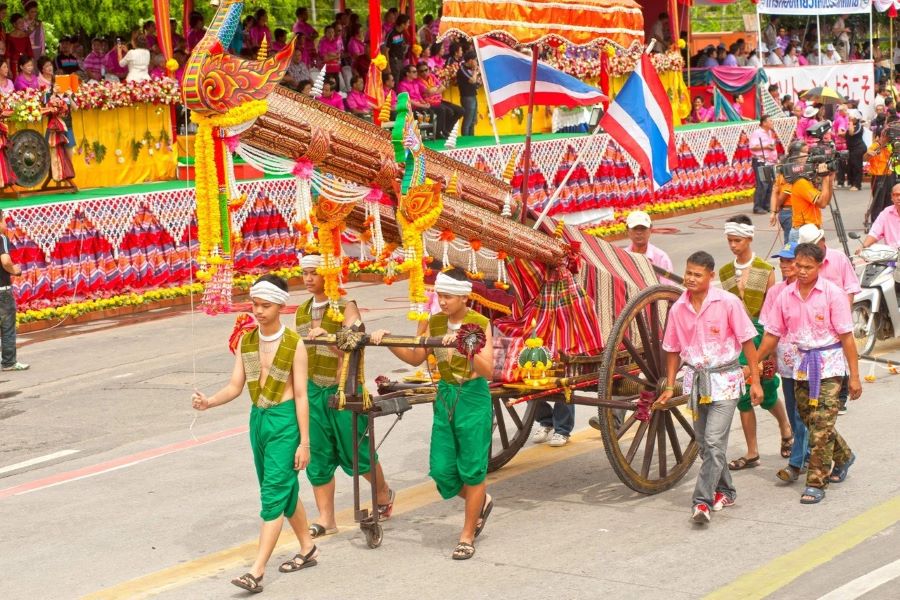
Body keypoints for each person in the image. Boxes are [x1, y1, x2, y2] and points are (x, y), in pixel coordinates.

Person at [191, 275, 318, 593]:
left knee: (273, 493)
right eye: (255, 305)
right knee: (282, 487)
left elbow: (301, 395)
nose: (258, 311)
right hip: (258, 420)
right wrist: (209, 402)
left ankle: (256, 571)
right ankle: (307, 547)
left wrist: (304, 442)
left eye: (265, 306)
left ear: (280, 306)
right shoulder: (246, 341)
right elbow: (235, 386)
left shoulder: (294, 344)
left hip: (285, 423)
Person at [371, 268, 495, 559]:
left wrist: (466, 346)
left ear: (464, 297)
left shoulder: (479, 323)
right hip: (445, 396)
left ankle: (466, 536)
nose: (443, 301)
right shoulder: (435, 321)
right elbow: (416, 356)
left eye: (448, 296)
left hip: (473, 398)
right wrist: (387, 340)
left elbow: (488, 371)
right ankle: (481, 501)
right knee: (441, 471)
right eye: (440, 295)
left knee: (473, 470)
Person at [294, 254, 395, 539]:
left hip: (343, 388)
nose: (308, 278)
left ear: (329, 274)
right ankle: (327, 518)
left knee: (357, 451)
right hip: (313, 390)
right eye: (305, 273)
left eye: (314, 272)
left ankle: (383, 493)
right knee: (318, 454)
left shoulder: (346, 306)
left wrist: (329, 339)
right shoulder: (301, 311)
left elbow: (353, 347)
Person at [658, 251, 762, 524]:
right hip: (696, 382)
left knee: (714, 442)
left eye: (697, 274)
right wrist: (669, 385)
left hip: (725, 381)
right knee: (705, 445)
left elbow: (748, 342)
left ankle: (701, 502)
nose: (691, 279)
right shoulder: (678, 308)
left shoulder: (728, 303)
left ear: (711, 276)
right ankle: (726, 491)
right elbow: (672, 349)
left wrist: (755, 380)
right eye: (688, 273)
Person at [757, 243, 861, 504]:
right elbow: (772, 334)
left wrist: (855, 376)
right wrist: (753, 361)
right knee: (812, 421)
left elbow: (847, 338)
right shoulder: (785, 296)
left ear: (820, 266)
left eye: (808, 267)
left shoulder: (833, 294)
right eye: (798, 266)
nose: (801, 271)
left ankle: (816, 482)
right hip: (801, 365)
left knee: (820, 425)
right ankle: (844, 456)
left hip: (830, 365)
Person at [719, 216, 794, 470]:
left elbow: (772, 314)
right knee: (742, 394)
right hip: (735, 338)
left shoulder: (765, 270)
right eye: (730, 240)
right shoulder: (725, 272)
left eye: (737, 240)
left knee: (768, 391)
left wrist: (771, 352)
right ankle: (752, 452)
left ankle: (785, 427)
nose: (733, 245)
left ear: (749, 238)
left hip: (761, 334)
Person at [758, 243, 808, 483]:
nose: (785, 265)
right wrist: (765, 358)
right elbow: (768, 329)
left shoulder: (809, 290)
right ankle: (838, 456)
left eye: (790, 261)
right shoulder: (776, 292)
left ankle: (796, 463)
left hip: (808, 362)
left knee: (801, 414)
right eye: (782, 261)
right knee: (793, 411)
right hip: (785, 363)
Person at [782, 140, 835, 241]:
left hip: (810, 230)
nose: (809, 156)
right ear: (796, 156)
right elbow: (822, 203)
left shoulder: (806, 179)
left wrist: (830, 181)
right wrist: (825, 178)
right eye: (806, 152)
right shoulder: (800, 181)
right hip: (803, 232)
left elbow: (826, 201)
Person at [0, 209, 28, 371]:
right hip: (2, 291)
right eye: (3, 220)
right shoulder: (2, 238)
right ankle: (9, 362)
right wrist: (15, 270)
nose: (5, 224)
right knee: (7, 327)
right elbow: (5, 261)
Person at [419, 62, 463, 139]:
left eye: (426, 70)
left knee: (460, 110)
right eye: (421, 71)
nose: (424, 72)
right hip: (429, 102)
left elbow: (443, 87)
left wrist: (435, 91)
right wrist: (436, 89)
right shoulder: (418, 81)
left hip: (439, 100)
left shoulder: (432, 77)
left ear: (429, 70)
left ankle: (447, 130)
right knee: (447, 111)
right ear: (418, 72)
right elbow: (429, 91)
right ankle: (439, 132)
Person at [749, 115, 779, 215]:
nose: (772, 122)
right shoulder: (757, 133)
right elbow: (752, 146)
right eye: (770, 121)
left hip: (769, 161)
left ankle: (767, 205)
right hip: (760, 160)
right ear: (764, 123)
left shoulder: (770, 132)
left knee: (769, 183)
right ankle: (757, 207)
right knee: (762, 184)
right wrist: (766, 146)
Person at [865, 129, 895, 228]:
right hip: (878, 176)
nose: (885, 138)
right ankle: (876, 225)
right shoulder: (875, 145)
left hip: (889, 175)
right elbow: (865, 157)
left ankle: (888, 223)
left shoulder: (891, 145)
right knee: (878, 202)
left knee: (889, 201)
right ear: (879, 137)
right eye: (884, 136)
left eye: (886, 136)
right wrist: (869, 153)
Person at [861, 182, 900, 248]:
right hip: (892, 252)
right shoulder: (886, 212)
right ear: (891, 197)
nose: (899, 198)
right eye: (896, 195)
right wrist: (863, 247)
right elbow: (874, 232)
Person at [457, 51, 479, 136]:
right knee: (468, 120)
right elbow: (472, 80)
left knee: (473, 120)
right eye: (475, 60)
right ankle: (465, 140)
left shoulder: (470, 70)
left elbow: (476, 82)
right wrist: (475, 70)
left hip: (473, 95)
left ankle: (471, 139)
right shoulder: (462, 69)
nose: (476, 62)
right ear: (470, 60)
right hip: (467, 97)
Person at [6, 13, 32, 79]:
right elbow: (7, 55)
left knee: (26, 83)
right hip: (14, 65)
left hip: (25, 64)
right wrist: (9, 70)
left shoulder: (26, 36)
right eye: (19, 22)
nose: (22, 24)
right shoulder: (9, 37)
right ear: (14, 24)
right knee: (16, 82)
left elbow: (30, 53)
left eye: (23, 22)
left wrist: (32, 67)